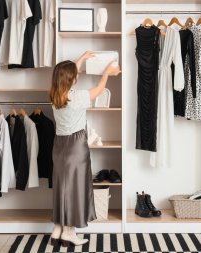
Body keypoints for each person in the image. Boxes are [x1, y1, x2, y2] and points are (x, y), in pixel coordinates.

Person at [49, 51, 120, 246]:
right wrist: (106, 72)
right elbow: (99, 88)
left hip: (59, 146)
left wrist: (81, 59)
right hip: (75, 146)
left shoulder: (55, 96)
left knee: (62, 186)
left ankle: (58, 228)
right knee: (75, 188)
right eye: (75, 75)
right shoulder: (77, 97)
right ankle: (69, 231)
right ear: (71, 79)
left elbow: (70, 74)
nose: (77, 76)